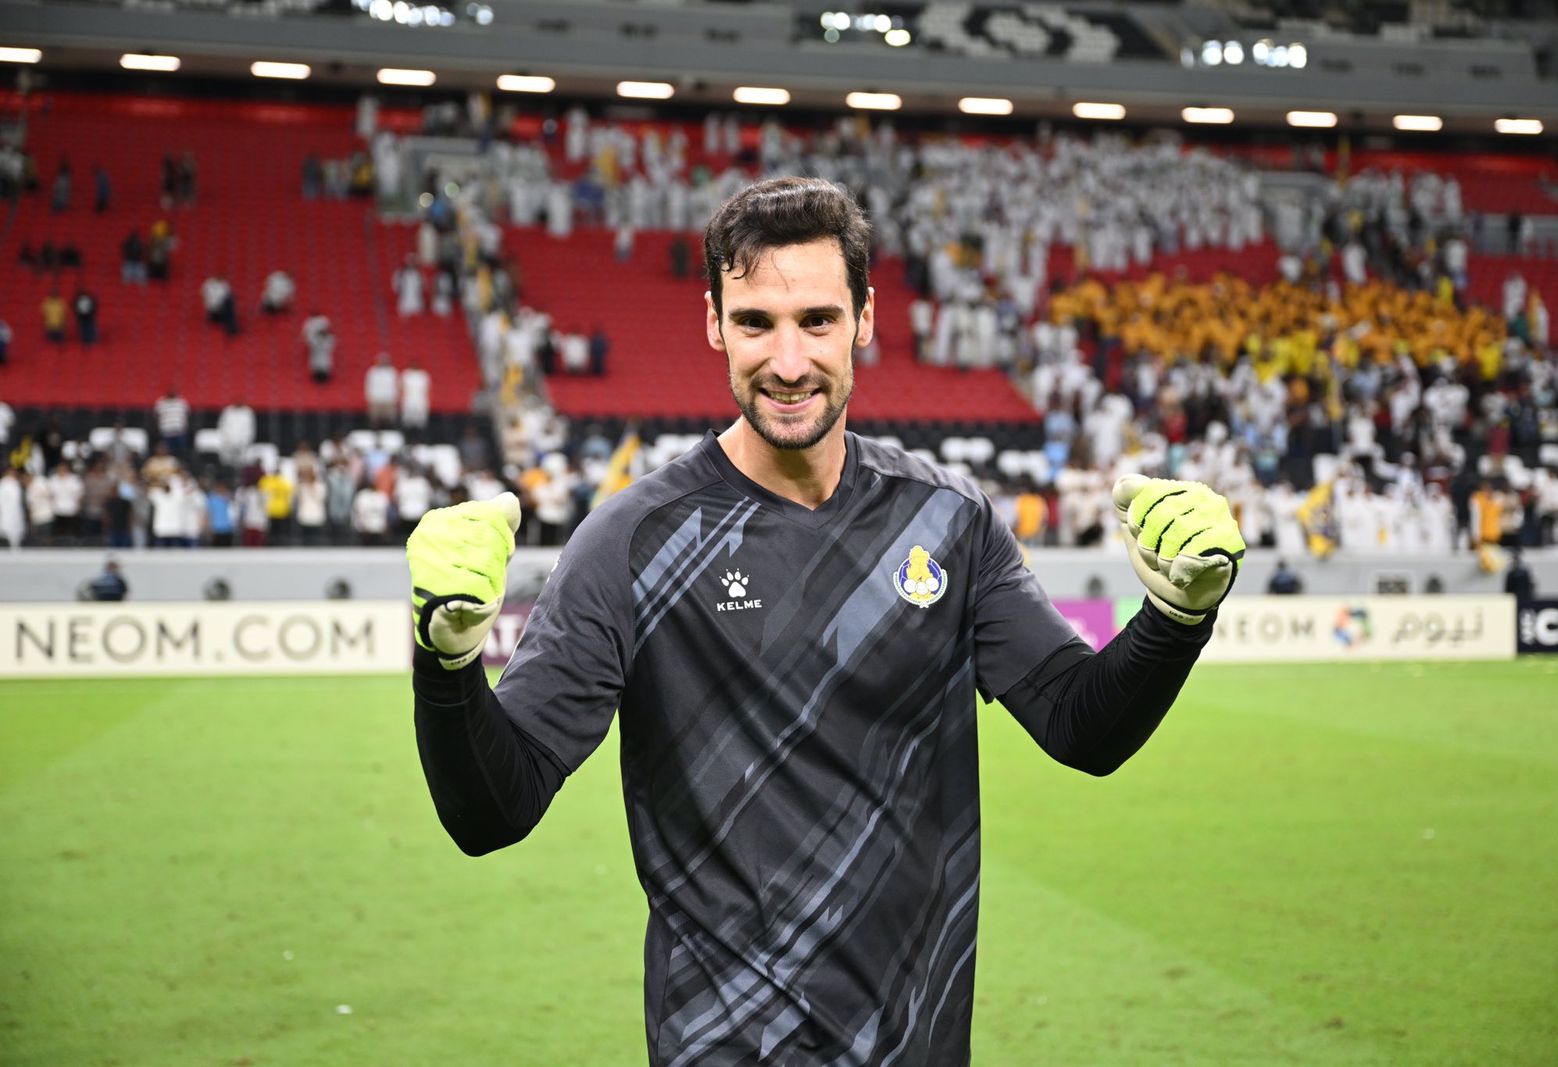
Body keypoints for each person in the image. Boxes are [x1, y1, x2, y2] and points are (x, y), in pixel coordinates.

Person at [403, 177, 1246, 1063]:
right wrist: (448, 664)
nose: (790, 360)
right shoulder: (630, 541)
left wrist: (1175, 616)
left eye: (817, 319)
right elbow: (492, 811)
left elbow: (1085, 725)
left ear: (866, 318)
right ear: (714, 323)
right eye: (757, 321)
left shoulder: (948, 520)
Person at [365, 352, 399, 427]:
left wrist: (395, 398)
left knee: (389, 420)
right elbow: (368, 385)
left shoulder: (392, 372)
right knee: (375, 420)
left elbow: (396, 386)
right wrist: (370, 398)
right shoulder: (372, 371)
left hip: (389, 399)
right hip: (376, 399)